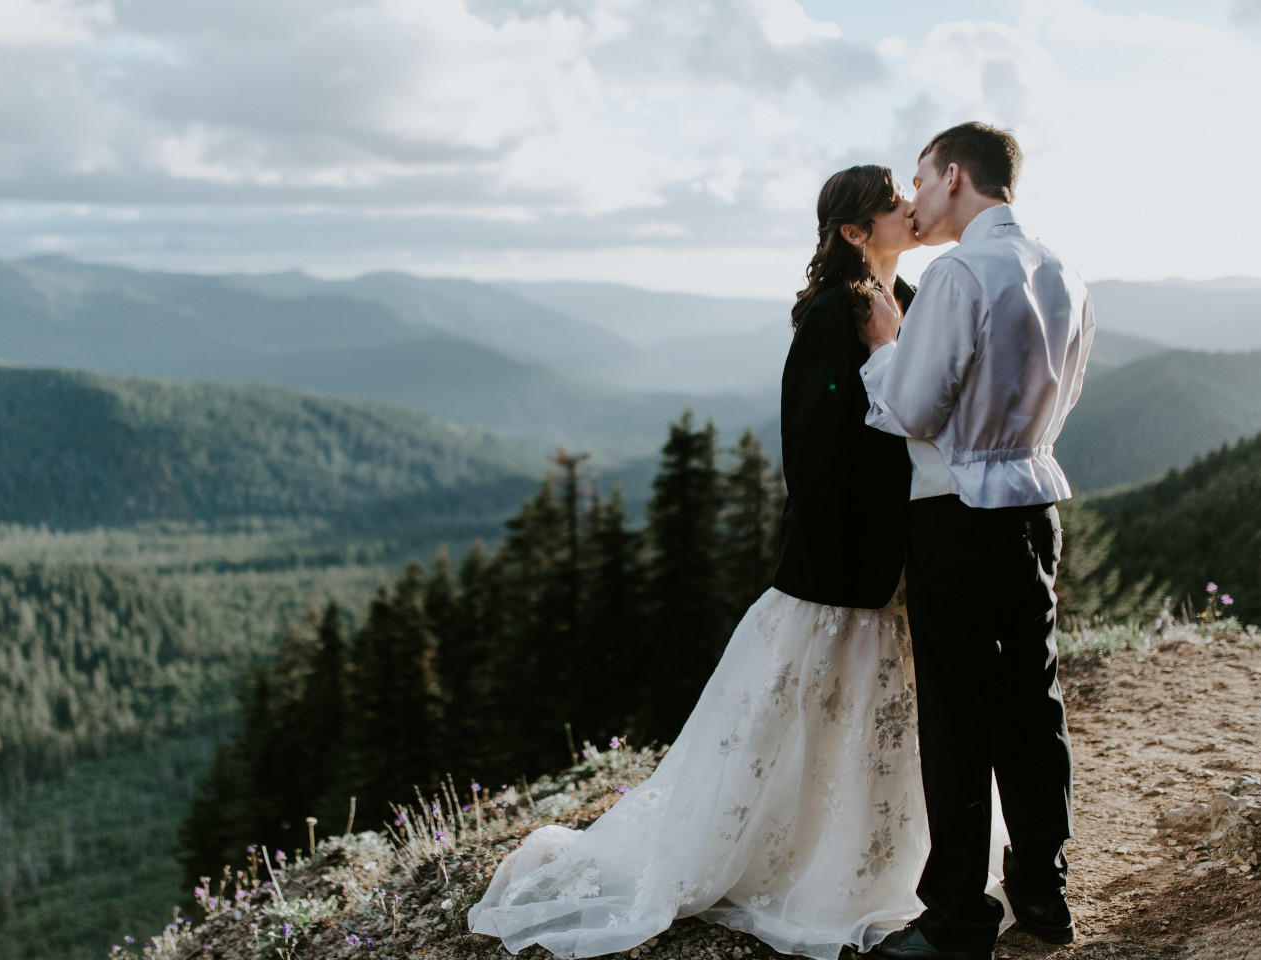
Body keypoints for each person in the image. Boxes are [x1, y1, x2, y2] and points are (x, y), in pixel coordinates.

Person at [467, 165, 1006, 960]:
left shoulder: (913, 303)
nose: (910, 208)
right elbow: (817, 447)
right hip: (844, 566)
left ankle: (888, 864)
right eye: (893, 203)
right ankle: (796, 863)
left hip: (906, 553)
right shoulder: (834, 313)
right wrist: (866, 557)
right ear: (856, 233)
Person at [858, 123, 1094, 960]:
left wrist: (886, 348)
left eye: (921, 180)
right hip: (1035, 510)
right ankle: (1041, 888)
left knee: (956, 719)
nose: (916, 199)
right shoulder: (1062, 271)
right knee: (1033, 706)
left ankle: (957, 918)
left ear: (953, 176)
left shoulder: (956, 272)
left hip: (957, 515)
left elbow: (912, 410)